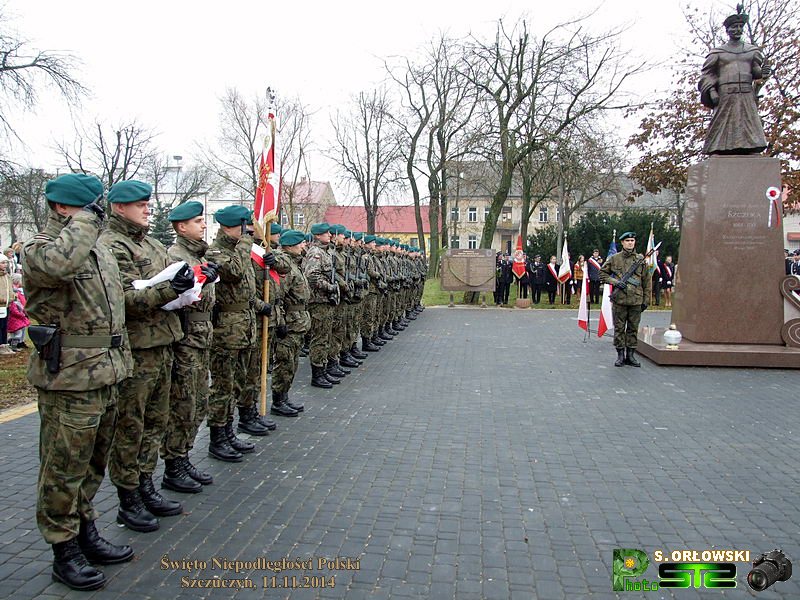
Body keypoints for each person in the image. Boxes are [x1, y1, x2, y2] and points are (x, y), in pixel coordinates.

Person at [23, 173, 134, 590]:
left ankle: (86, 531)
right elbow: (60, 264)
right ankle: (63, 549)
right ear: (62, 207)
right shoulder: (40, 248)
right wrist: (86, 220)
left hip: (107, 371)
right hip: (69, 379)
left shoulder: (97, 248)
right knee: (63, 469)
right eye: (90, 207)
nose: (97, 214)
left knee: (92, 464)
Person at [101, 180, 187, 532]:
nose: (147, 209)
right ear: (119, 207)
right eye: (140, 205)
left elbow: (166, 281)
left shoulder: (150, 243)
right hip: (137, 348)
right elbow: (124, 299)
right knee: (130, 426)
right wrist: (170, 289)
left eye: (148, 204)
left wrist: (189, 284)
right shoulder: (111, 244)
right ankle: (128, 497)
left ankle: (145, 483)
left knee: (155, 422)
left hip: (162, 342)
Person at [204, 205, 272, 457]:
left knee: (238, 383)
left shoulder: (239, 251)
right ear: (229, 227)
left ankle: (229, 431)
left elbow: (246, 291)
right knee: (222, 387)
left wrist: (260, 305)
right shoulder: (215, 252)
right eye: (245, 227)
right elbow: (234, 272)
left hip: (245, 326)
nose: (250, 232)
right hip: (226, 330)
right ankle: (217, 438)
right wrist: (245, 242)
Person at [160, 201, 218, 494]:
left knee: (199, 401)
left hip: (201, 335)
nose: (203, 225)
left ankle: (183, 456)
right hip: (185, 336)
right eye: (198, 221)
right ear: (181, 227)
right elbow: (171, 298)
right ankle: (173, 464)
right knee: (183, 403)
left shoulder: (198, 255)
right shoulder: (175, 256)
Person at [698, 9, 771, 155]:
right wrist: (712, 91)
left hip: (746, 92)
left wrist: (762, 73)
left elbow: (755, 71)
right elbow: (707, 74)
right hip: (726, 93)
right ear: (727, 30)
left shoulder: (751, 51)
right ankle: (718, 148)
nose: (737, 30)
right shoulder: (718, 53)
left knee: (747, 120)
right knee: (722, 122)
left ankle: (751, 147)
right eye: (734, 27)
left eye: (740, 27)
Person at [600, 231, 652, 367]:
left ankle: (631, 356)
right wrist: (615, 282)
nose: (630, 243)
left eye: (632, 241)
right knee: (619, 328)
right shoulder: (614, 258)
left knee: (633, 329)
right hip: (620, 300)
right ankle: (620, 356)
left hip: (636, 300)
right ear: (622, 243)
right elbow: (602, 273)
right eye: (627, 241)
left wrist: (646, 300)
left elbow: (647, 281)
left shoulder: (640, 260)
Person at [272, 229, 311, 412]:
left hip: (298, 321)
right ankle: (278, 400)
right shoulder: (286, 268)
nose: (304, 246)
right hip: (289, 322)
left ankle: (284, 396)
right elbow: (278, 297)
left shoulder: (295, 264)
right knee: (284, 363)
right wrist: (280, 322)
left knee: (292, 363)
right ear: (290, 246)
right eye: (301, 243)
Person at [303, 223, 339, 391]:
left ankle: (323, 370)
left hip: (325, 302)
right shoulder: (316, 253)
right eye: (326, 233)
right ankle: (317, 374)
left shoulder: (326, 252)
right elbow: (312, 276)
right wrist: (329, 287)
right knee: (319, 339)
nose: (330, 235)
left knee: (325, 337)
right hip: (318, 302)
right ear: (317, 235)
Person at [7, 273, 29, 350]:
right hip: (16, 318)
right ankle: (13, 344)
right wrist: (21, 314)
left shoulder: (20, 292)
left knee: (21, 330)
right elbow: (14, 309)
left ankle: (19, 342)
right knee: (17, 333)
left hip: (20, 315)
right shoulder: (15, 297)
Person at [0, 255, 12, 355]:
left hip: (6, 305)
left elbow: (9, 288)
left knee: (5, 325)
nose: (5, 265)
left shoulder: (7, 276)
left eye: (6, 263)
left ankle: (4, 343)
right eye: (3, 263)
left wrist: (12, 296)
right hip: (0, 305)